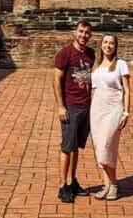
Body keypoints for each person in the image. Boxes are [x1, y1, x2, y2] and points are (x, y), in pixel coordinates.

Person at [53, 19, 95, 203]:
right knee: (67, 147)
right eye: (81, 31)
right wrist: (61, 106)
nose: (83, 35)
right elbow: (56, 80)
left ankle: (73, 181)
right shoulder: (65, 53)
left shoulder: (91, 54)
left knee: (76, 146)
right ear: (75, 32)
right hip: (71, 106)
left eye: (87, 32)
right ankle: (63, 185)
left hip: (85, 106)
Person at [89, 33, 131, 200]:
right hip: (97, 108)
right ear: (101, 45)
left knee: (107, 145)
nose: (108, 46)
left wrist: (126, 112)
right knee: (99, 146)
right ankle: (107, 185)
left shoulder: (120, 64)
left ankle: (114, 185)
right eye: (105, 42)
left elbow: (127, 90)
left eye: (111, 43)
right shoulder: (96, 65)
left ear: (115, 46)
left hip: (114, 107)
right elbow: (92, 88)